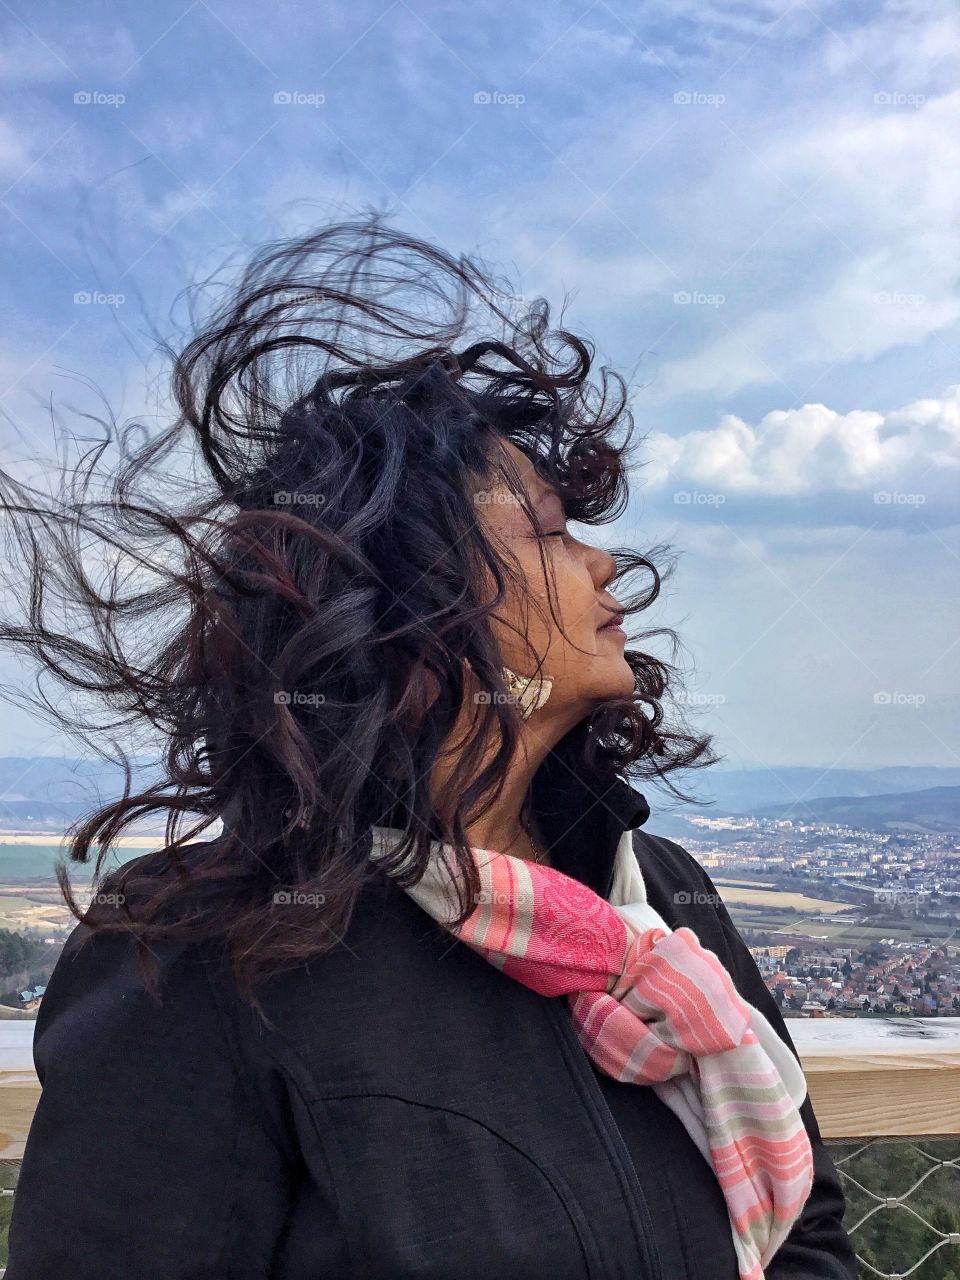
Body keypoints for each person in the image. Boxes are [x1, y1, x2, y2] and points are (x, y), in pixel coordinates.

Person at [0, 215, 858, 1279]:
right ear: (420, 600)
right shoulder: (207, 958)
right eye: (549, 528)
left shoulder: (664, 897)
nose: (605, 566)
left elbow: (810, 1231)